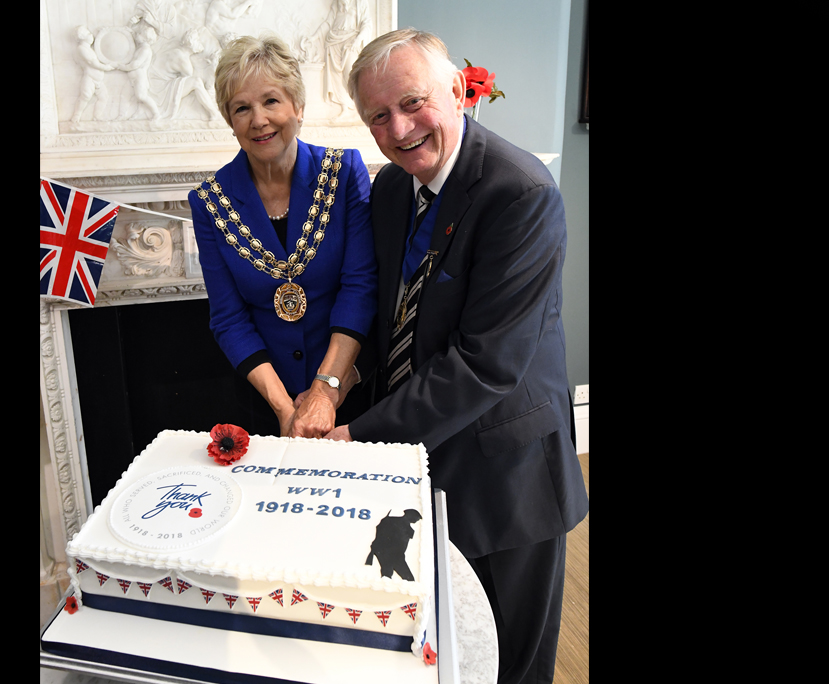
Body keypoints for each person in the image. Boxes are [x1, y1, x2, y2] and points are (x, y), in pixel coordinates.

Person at [328, 29, 589, 684]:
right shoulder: (389, 188)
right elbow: (390, 314)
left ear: (455, 90)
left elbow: (485, 363)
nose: (398, 127)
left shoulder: (519, 193)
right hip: (421, 453)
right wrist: (332, 382)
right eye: (377, 116)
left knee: (511, 658)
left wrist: (356, 435)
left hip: (506, 471)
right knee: (444, 643)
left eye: (412, 102)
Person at [187, 35, 377, 438]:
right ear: (230, 121)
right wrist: (284, 407)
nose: (258, 119)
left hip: (348, 387)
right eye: (242, 108)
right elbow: (227, 316)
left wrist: (325, 391)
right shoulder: (209, 202)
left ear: (298, 106)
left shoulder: (343, 173)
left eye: (271, 101)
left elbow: (360, 286)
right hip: (265, 399)